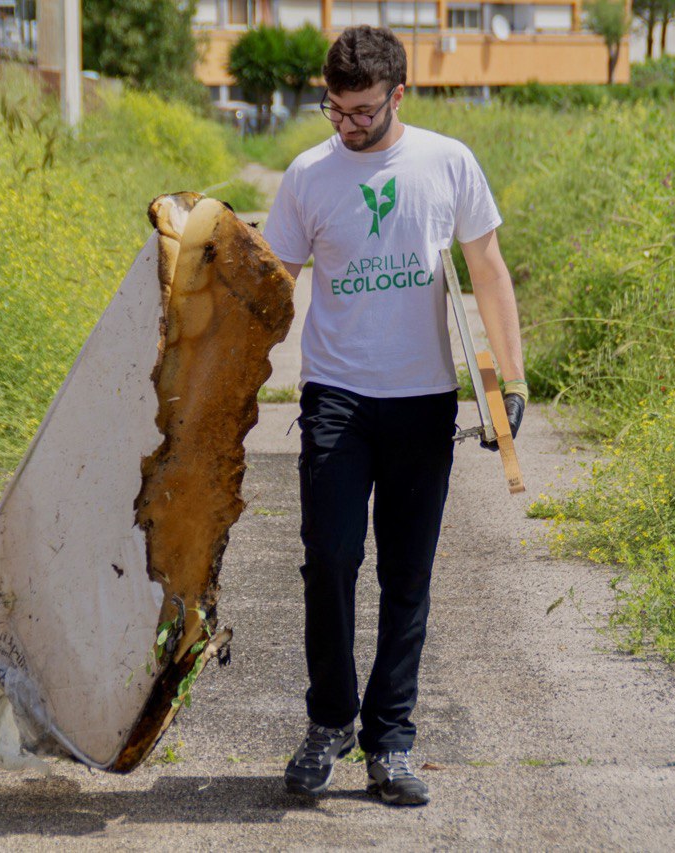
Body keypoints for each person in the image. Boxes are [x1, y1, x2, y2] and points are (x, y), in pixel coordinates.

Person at [262, 25, 527, 807]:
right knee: (329, 561)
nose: (347, 125)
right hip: (336, 398)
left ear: (399, 95)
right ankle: (328, 723)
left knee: (407, 576)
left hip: (422, 401)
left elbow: (488, 267)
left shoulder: (447, 162)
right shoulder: (309, 175)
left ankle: (392, 742)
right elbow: (274, 286)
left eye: (363, 111)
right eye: (334, 110)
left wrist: (511, 378)